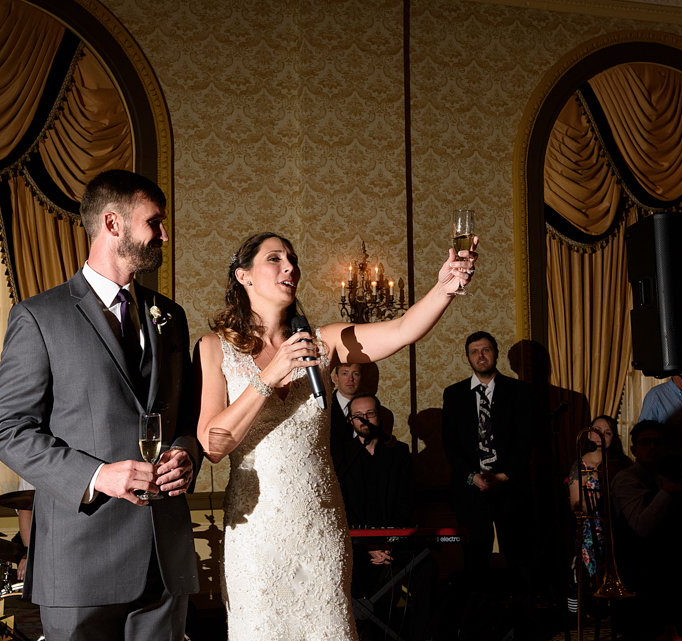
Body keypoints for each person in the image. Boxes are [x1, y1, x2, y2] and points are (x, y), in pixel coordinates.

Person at [195, 231, 477, 640]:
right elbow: (213, 445)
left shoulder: (324, 342)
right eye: (275, 259)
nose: (290, 266)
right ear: (244, 276)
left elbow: (402, 331)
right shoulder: (215, 348)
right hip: (257, 534)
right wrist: (269, 377)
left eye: (292, 259)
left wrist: (444, 288)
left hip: (321, 527)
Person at [0, 170, 201, 641]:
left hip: (164, 557)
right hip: (81, 557)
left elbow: (185, 416)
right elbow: (5, 429)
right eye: (155, 222)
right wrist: (97, 476)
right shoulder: (40, 317)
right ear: (113, 223)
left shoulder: (171, 317)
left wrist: (187, 452)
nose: (163, 234)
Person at [441, 331, 535, 595]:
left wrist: (505, 476)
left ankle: (526, 628)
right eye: (474, 351)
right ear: (468, 357)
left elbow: (526, 439)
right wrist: (472, 476)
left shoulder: (520, 392)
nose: (480, 356)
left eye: (485, 350)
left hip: (511, 491)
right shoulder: (454, 394)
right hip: (471, 493)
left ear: (495, 353)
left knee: (521, 563)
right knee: (475, 564)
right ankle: (478, 627)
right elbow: (450, 444)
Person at [337, 394, 435, 641]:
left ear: (378, 416)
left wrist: (387, 542)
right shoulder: (341, 457)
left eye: (370, 414)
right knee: (350, 576)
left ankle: (418, 636)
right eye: (358, 416)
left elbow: (406, 500)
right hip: (359, 546)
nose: (365, 420)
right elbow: (343, 507)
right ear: (350, 420)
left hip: (395, 540)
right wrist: (370, 546)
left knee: (427, 569)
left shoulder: (398, 452)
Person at [610, 421, 682, 640]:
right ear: (634, 449)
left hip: (658, 567)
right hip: (634, 570)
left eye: (657, 442)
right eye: (645, 442)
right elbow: (641, 527)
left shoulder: (662, 479)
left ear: (664, 450)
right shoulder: (625, 479)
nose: (652, 447)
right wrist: (667, 492)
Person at [565, 415, 629, 579]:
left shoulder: (623, 463)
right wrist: (601, 489)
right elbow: (576, 507)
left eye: (607, 432)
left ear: (613, 438)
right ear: (588, 434)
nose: (601, 436)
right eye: (597, 431)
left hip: (620, 529)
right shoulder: (580, 465)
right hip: (594, 532)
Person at [330, 362, 362, 462]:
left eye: (355, 374)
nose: (350, 379)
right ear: (336, 378)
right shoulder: (324, 408)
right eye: (345, 374)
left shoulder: (371, 410)